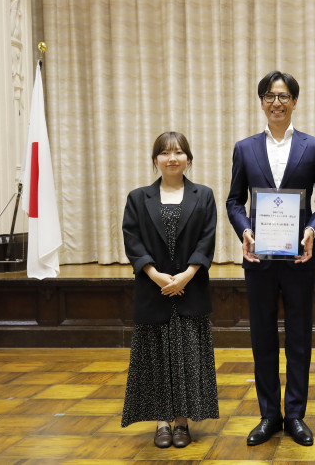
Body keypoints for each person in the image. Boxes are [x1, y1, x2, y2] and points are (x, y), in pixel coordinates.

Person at [226, 70, 315, 447]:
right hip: (259, 260)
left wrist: (312, 230)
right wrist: (245, 230)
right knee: (263, 338)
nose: (277, 102)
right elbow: (234, 201)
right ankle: (269, 414)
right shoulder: (245, 148)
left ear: (294, 102)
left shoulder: (314, 147)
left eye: (284, 96)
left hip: (299, 258)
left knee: (299, 337)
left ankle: (296, 415)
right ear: (261, 102)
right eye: (270, 96)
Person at [121, 131, 219, 448]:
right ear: (155, 160)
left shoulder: (204, 195)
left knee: (187, 358)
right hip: (154, 290)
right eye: (165, 153)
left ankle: (181, 423)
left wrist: (186, 276)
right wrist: (157, 276)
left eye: (178, 152)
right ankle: (162, 421)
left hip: (191, 289)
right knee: (157, 359)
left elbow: (207, 239)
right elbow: (132, 241)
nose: (172, 158)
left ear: (188, 158)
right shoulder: (138, 198)